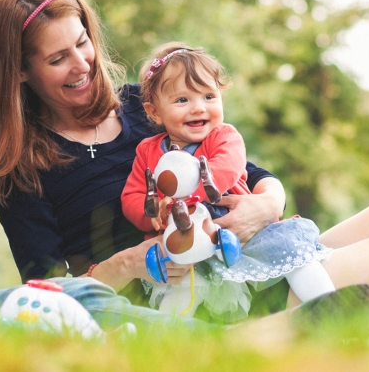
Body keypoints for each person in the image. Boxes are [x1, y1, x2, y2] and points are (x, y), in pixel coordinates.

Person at [0, 0, 369, 330]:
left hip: (255, 253)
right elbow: (50, 292)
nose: (81, 64)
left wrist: (264, 205)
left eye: (82, 43)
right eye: (57, 59)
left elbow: (254, 175)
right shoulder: (22, 169)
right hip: (199, 299)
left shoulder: (143, 106)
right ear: (20, 73)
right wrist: (144, 256)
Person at [120, 43, 335, 321]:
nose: (198, 108)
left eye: (208, 96)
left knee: (292, 254)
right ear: (154, 112)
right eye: (182, 100)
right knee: (180, 289)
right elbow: (133, 196)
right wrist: (154, 213)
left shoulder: (224, 137)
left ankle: (329, 303)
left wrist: (186, 200)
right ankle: (164, 336)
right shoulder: (147, 151)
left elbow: (227, 169)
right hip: (188, 246)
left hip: (244, 235)